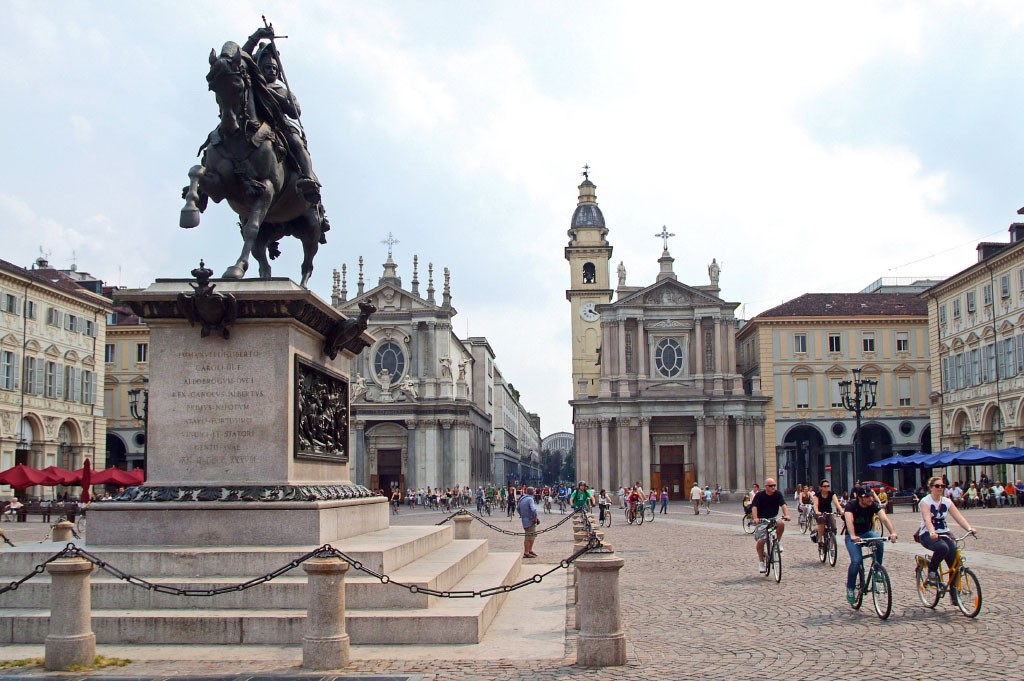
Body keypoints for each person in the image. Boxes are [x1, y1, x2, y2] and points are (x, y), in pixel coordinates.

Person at [242, 26, 323, 205]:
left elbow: (295, 112)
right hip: (254, 122)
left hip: (280, 125)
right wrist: (256, 37)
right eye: (266, 67)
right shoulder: (253, 84)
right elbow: (241, 57)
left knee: (295, 141)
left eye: (273, 68)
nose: (271, 70)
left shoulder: (284, 90)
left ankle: (308, 177)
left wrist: (277, 97)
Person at [844, 485, 898, 603]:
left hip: (867, 533)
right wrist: (853, 535)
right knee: (856, 561)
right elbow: (849, 521)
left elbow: (884, 518)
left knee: (878, 540)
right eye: (867, 497)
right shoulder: (851, 506)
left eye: (871, 496)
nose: (870, 499)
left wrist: (892, 532)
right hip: (852, 536)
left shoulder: (872, 505)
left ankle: (877, 569)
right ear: (859, 498)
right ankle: (850, 587)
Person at [918, 476, 975, 587]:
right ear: (931, 487)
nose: (940, 488)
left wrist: (969, 528)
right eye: (937, 486)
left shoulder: (947, 501)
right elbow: (927, 520)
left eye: (942, 486)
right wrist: (932, 532)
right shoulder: (925, 502)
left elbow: (959, 517)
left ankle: (955, 597)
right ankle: (931, 572)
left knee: (955, 564)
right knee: (942, 547)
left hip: (944, 533)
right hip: (927, 534)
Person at [750, 478, 791, 574]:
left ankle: (777, 543)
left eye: (774, 485)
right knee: (761, 541)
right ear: (766, 487)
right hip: (762, 520)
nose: (773, 487)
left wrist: (786, 515)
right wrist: (756, 518)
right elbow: (754, 507)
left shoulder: (777, 494)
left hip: (773, 518)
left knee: (781, 523)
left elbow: (783, 505)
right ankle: (761, 562)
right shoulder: (759, 495)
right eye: (770, 486)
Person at [812, 479, 843, 547]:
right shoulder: (817, 495)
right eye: (825, 486)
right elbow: (815, 505)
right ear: (821, 487)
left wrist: (841, 511)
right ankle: (820, 539)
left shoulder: (831, 493)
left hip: (829, 512)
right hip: (820, 512)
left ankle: (831, 542)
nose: (826, 488)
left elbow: (836, 503)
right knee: (822, 520)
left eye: (828, 486)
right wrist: (817, 512)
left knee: (834, 528)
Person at [518, 486, 540, 558]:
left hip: (524, 519)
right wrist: (535, 518)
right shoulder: (530, 499)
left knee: (532, 535)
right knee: (528, 536)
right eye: (534, 491)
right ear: (532, 492)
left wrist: (522, 515)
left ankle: (530, 550)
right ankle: (526, 552)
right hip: (530, 520)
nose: (535, 492)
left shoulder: (522, 498)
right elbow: (533, 510)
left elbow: (518, 508)